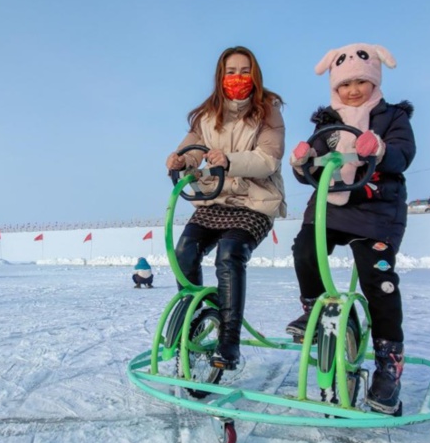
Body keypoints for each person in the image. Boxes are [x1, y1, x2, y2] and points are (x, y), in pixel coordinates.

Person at [287, 42, 415, 414]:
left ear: (375, 81)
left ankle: (388, 365)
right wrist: (303, 162)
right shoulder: (327, 121)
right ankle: (313, 307)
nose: (353, 90)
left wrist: (378, 149)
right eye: (345, 84)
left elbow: (403, 154)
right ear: (334, 87)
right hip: (331, 206)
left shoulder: (392, 117)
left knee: (379, 280)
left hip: (376, 210)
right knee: (305, 248)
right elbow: (312, 171)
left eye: (361, 81)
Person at [165, 46, 286, 370]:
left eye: (244, 71)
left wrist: (229, 161)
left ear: (254, 74)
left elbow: (268, 159)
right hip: (215, 199)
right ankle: (194, 322)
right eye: (230, 71)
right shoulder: (207, 114)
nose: (237, 78)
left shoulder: (268, 111)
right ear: (221, 75)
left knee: (230, 253)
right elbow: (193, 148)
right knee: (184, 252)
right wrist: (180, 159)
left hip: (255, 201)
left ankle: (229, 342)